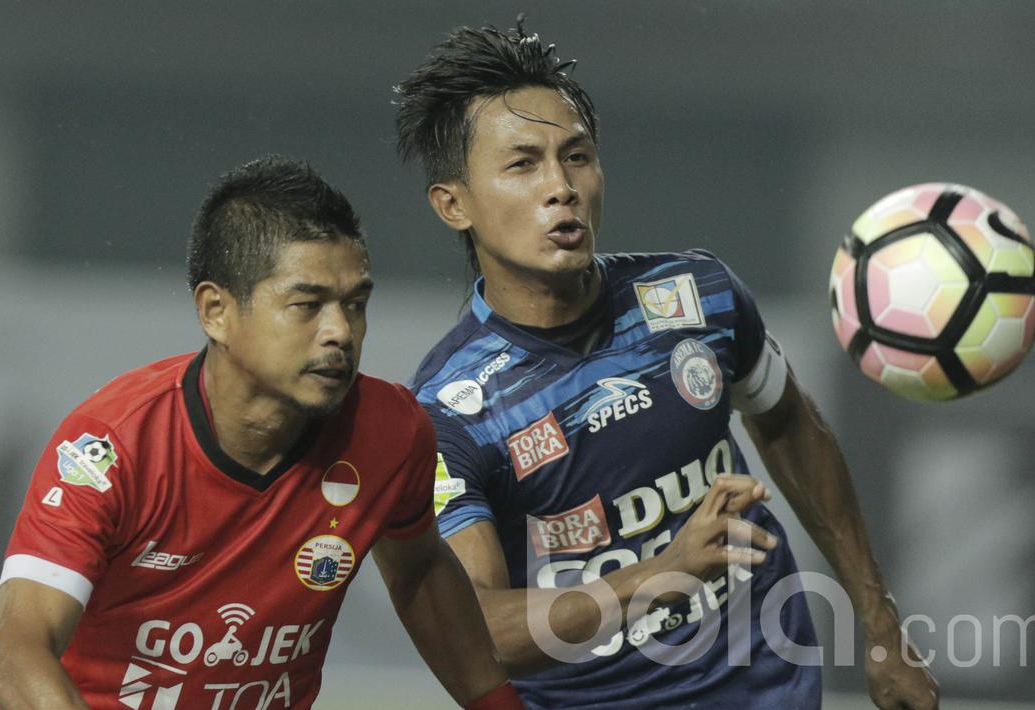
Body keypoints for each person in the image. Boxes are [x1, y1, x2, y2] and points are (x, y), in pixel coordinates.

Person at [394, 20, 940, 710]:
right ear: (453, 204)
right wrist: (660, 572)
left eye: (577, 156)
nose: (560, 186)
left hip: (768, 690)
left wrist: (878, 621)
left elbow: (789, 428)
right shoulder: (449, 411)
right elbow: (475, 631)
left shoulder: (696, 296)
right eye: (522, 164)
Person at [0, 156, 525, 709]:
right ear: (216, 311)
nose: (340, 332)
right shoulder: (110, 447)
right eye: (307, 305)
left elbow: (421, 574)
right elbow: (17, 657)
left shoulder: (393, 430)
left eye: (355, 304)